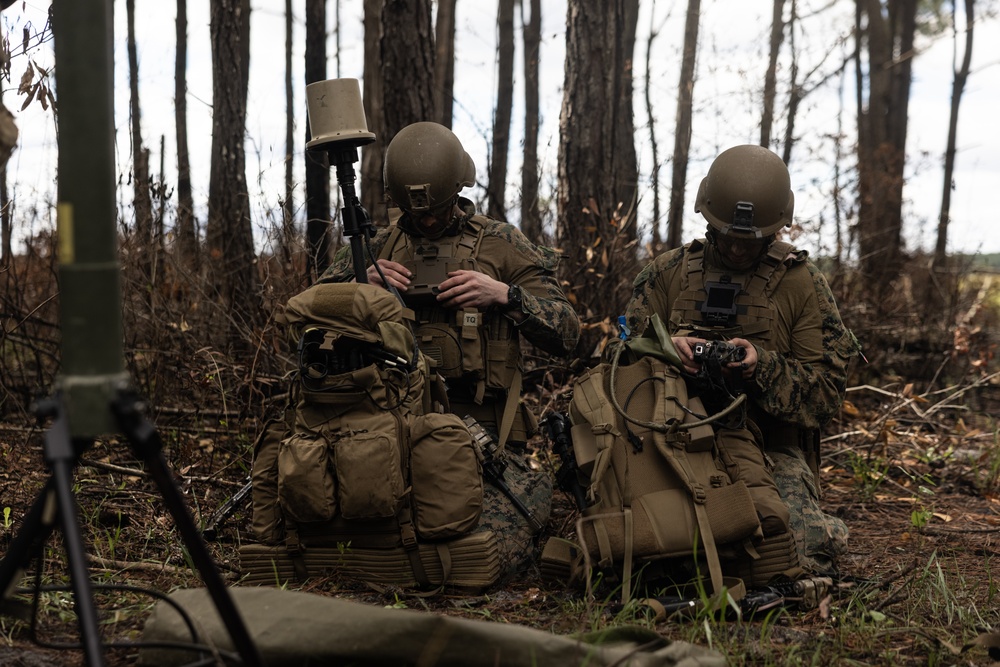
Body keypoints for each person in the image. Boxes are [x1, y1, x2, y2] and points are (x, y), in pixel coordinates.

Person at [320, 121, 581, 577]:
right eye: (413, 211)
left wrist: (505, 295)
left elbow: (568, 333)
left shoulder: (502, 243)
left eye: (436, 210)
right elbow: (306, 321)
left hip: (481, 436)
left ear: (459, 189)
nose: (425, 221)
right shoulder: (375, 247)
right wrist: (359, 287)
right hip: (388, 429)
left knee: (480, 550)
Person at [622, 144, 860, 575]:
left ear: (777, 227)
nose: (736, 251)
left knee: (792, 555)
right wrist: (665, 348)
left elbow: (826, 396)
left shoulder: (801, 283)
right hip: (671, 439)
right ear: (708, 217)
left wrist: (761, 366)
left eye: (749, 240)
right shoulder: (666, 274)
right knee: (642, 551)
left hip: (770, 449)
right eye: (729, 236)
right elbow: (616, 365)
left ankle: (819, 525)